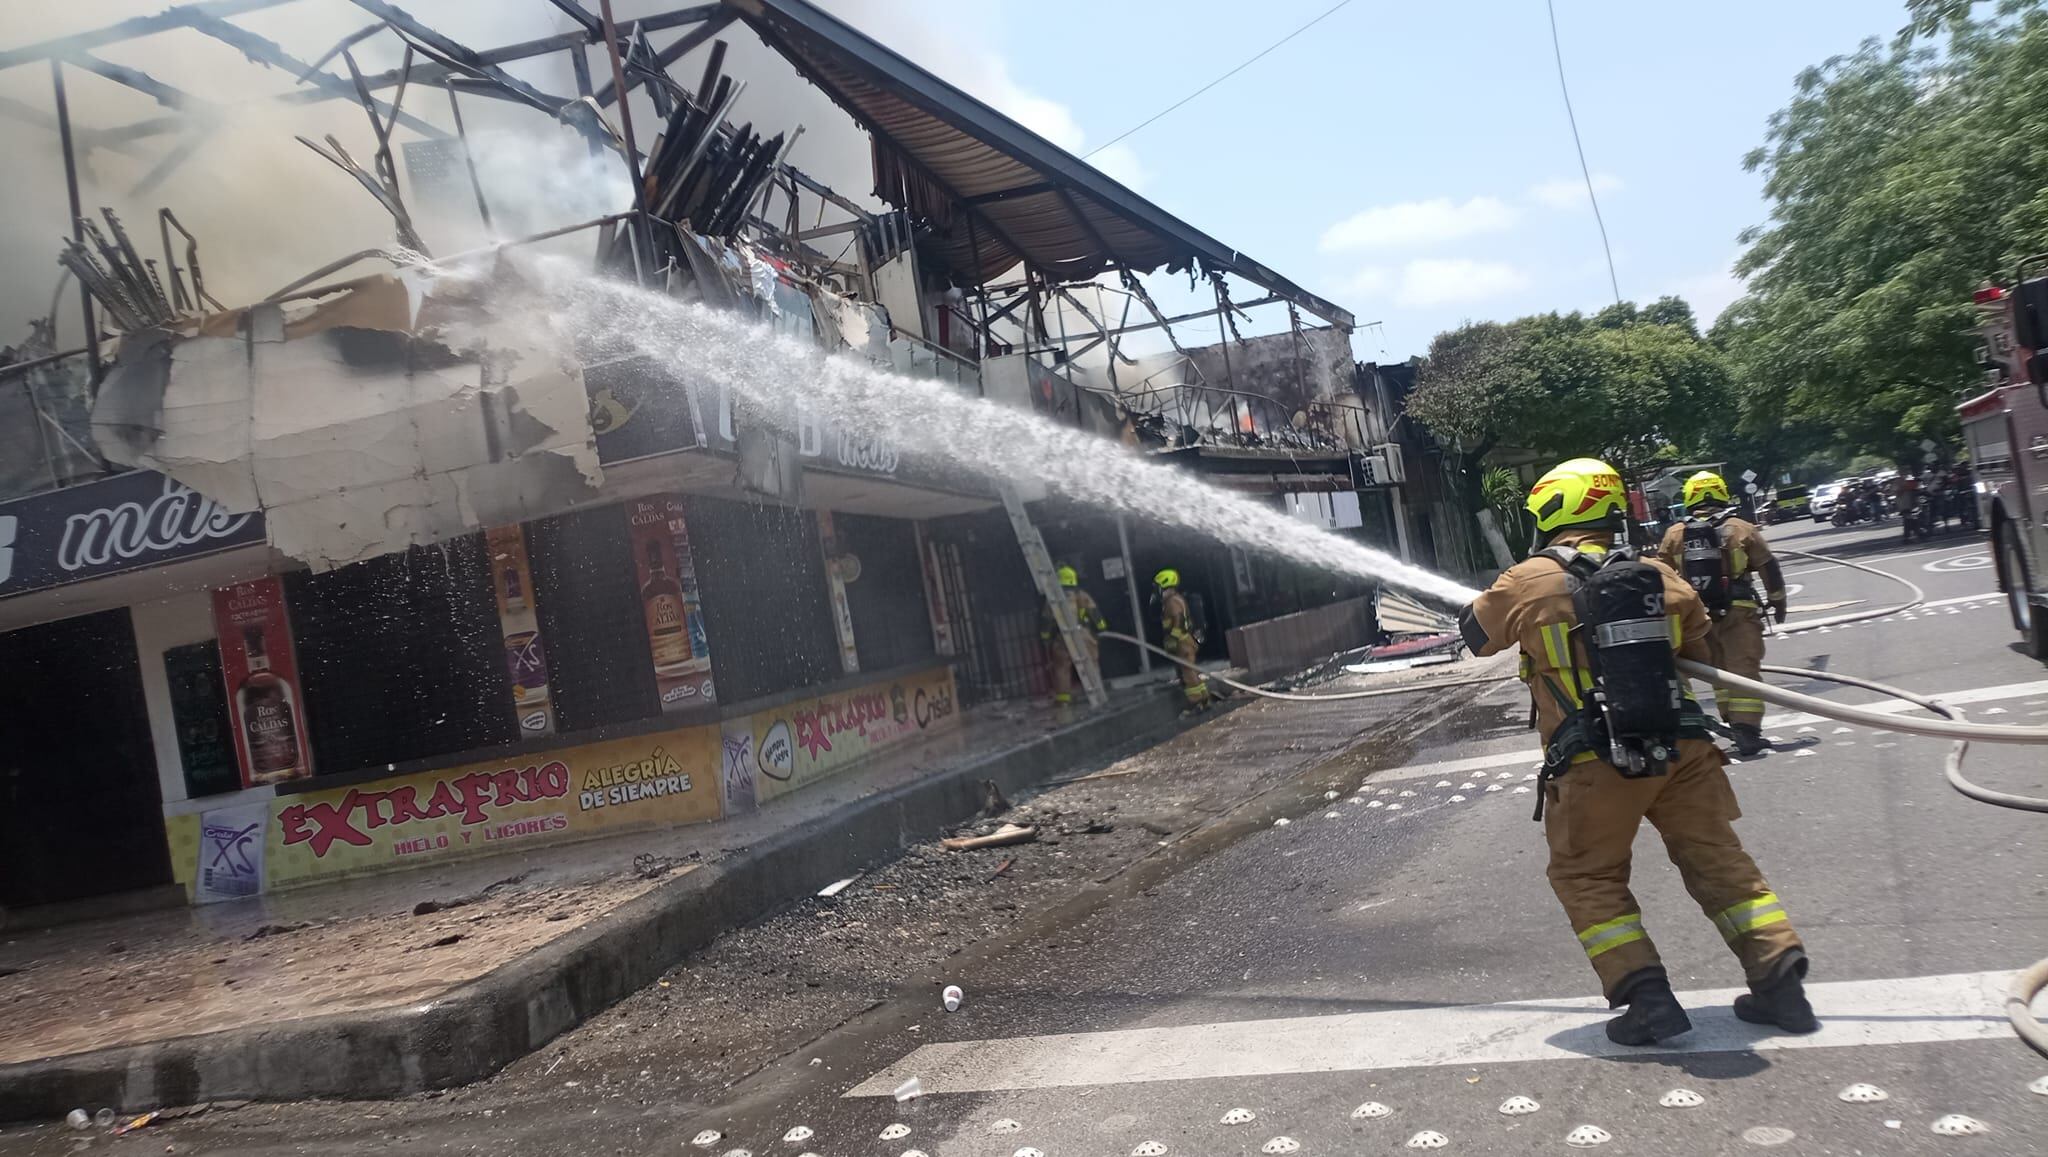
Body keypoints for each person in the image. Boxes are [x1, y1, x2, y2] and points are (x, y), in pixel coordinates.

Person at [1460, 457, 1816, 1045]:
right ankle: (1781, 983)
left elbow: (1473, 638)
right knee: (1717, 860)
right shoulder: (1658, 572)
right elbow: (1701, 646)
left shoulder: (1524, 580)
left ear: (1551, 511)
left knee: (1587, 873)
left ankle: (1647, 997)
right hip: (1684, 749)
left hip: (1594, 759)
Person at [1658, 470, 1787, 757]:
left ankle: (1732, 721)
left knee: (1716, 671)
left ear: (1689, 497)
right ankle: (1747, 730)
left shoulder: (1674, 534)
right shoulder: (1741, 528)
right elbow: (1769, 566)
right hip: (1738, 610)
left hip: (1697, 616)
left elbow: (1661, 576)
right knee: (1743, 669)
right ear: (1721, 493)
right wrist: (1778, 601)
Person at [1041, 565, 1107, 707]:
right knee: (1091, 663)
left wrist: (1045, 637)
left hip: (1063, 636)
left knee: (1061, 667)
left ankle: (1064, 699)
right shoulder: (1082, 595)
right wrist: (1101, 629)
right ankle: (1098, 693)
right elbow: (1095, 613)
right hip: (1084, 634)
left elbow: (1046, 620)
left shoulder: (1052, 599)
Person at [1153, 568, 1211, 710]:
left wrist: (1173, 638)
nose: (1157, 591)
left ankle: (1196, 703)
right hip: (1185, 641)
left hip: (1182, 643)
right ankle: (1205, 700)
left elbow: (1178, 620)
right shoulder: (1174, 599)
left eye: (1158, 587)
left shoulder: (1172, 602)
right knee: (1191, 671)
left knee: (1188, 673)